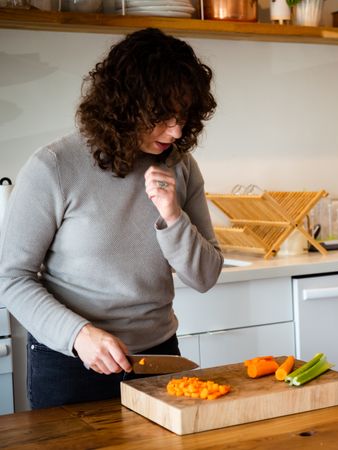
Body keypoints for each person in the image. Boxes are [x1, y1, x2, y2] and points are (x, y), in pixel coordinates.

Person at [0, 28, 224, 409]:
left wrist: (172, 215)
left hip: (160, 360)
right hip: (71, 363)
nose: (177, 130)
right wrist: (79, 335)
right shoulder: (53, 167)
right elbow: (11, 278)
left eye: (184, 115)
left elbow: (205, 276)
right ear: (124, 105)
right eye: (162, 115)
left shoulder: (181, 167)